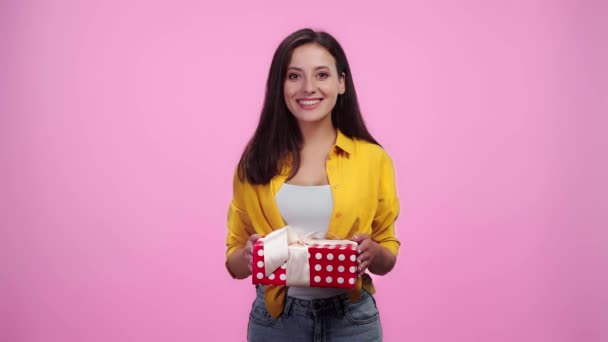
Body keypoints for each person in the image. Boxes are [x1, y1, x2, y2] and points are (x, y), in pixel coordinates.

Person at [225, 28, 400, 341]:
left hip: (352, 319)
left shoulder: (374, 160)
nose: (308, 88)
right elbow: (235, 263)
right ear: (280, 85)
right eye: (294, 76)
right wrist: (250, 255)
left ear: (341, 83)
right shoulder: (255, 161)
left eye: (321, 74)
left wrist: (373, 252)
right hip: (276, 322)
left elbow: (388, 256)